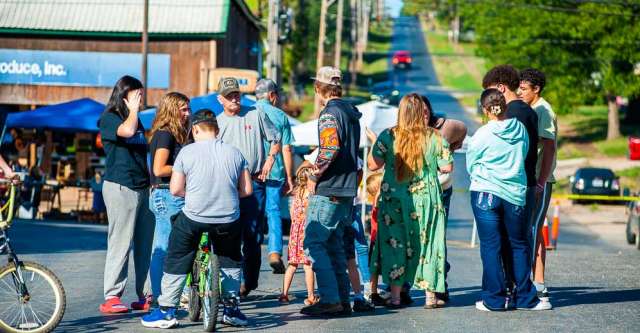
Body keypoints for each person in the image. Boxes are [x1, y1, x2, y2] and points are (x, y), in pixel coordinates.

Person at [141, 109, 252, 329]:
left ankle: (166, 311)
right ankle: (231, 310)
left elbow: (174, 189)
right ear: (217, 131)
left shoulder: (187, 153)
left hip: (195, 216)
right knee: (230, 258)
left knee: (177, 255)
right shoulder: (235, 153)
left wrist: (192, 195)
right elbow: (247, 190)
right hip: (228, 218)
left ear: (195, 129)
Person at [466, 88, 550, 311]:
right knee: (519, 244)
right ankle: (525, 298)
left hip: (485, 192)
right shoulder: (520, 128)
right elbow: (523, 154)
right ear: (505, 106)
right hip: (514, 193)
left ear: (486, 110)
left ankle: (494, 299)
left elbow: (471, 164)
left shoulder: (482, 134)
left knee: (491, 247)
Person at [368, 93, 453, 309]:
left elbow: (372, 165)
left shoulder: (388, 136)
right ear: (421, 112)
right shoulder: (435, 136)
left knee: (394, 243)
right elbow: (447, 167)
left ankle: (395, 297)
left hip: (394, 199)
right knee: (429, 244)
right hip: (427, 199)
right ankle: (430, 296)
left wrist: (375, 143)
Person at [300, 66, 361, 317]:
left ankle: (329, 298)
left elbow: (330, 148)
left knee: (314, 242)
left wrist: (314, 174)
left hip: (330, 186)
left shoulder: (329, 114)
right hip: (347, 187)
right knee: (334, 243)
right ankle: (342, 298)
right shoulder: (350, 112)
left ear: (318, 88)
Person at [216, 77, 281, 297]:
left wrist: (270, 159)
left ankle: (250, 280)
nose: (234, 98)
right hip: (228, 185)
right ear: (220, 100)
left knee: (252, 235)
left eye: (236, 94)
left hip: (255, 181)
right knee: (230, 234)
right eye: (229, 96)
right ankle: (232, 286)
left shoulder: (255, 113)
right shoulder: (217, 123)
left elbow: (276, 138)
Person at [98, 75, 155, 313]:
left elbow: (143, 154)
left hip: (142, 187)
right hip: (120, 186)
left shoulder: (138, 121)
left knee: (146, 245)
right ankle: (112, 296)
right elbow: (128, 131)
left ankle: (146, 295)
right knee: (121, 242)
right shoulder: (109, 119)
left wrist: (151, 180)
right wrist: (132, 110)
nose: (141, 99)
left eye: (141, 95)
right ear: (124, 96)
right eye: (137, 95)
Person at [482, 65, 538, 290]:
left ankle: (511, 287)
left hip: (511, 186)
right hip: (524, 182)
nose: (488, 100)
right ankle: (515, 287)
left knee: (508, 242)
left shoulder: (512, 114)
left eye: (490, 93)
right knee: (517, 240)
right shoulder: (528, 110)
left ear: (501, 88)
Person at [421, 95, 468, 303]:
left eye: (425, 110)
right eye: (417, 111)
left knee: (436, 236)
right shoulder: (404, 131)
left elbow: (463, 128)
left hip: (440, 187)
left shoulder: (443, 127)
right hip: (416, 190)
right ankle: (404, 286)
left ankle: (440, 284)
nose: (422, 115)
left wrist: (452, 146)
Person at [147, 92, 191, 305]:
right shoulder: (165, 134)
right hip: (165, 193)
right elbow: (159, 168)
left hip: (169, 194)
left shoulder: (175, 133)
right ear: (171, 109)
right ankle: (159, 296)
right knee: (163, 247)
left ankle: (166, 294)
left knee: (172, 246)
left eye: (188, 109)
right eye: (183, 109)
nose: (187, 113)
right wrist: (187, 167)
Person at [519, 68, 557, 303]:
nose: (520, 92)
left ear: (536, 89)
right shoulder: (531, 108)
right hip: (528, 179)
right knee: (531, 231)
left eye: (524, 88)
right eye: (519, 87)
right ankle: (539, 281)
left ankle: (532, 282)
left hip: (540, 181)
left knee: (532, 230)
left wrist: (542, 181)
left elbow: (549, 147)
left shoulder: (544, 110)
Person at [254, 79, 295, 274]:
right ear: (271, 96)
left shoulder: (249, 113)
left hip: (252, 171)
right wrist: (290, 177)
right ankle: (274, 252)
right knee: (273, 211)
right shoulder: (281, 116)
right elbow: (286, 148)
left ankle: (249, 252)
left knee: (253, 212)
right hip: (275, 171)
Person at [278, 164, 316, 306]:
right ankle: (311, 296)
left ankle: (284, 294)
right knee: (308, 266)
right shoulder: (311, 195)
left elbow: (293, 215)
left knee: (292, 265)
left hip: (295, 232)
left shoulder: (296, 194)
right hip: (306, 233)